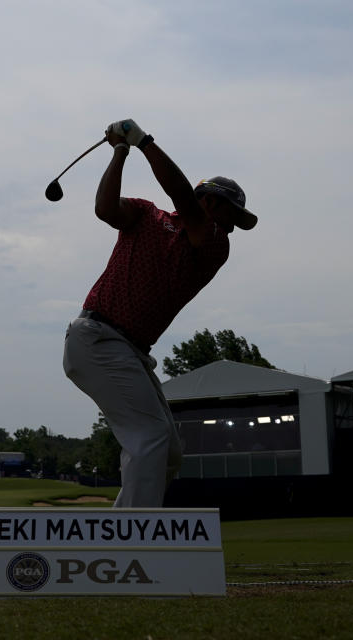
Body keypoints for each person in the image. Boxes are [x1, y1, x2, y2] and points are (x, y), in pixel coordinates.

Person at [63, 118, 258, 508]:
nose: (231, 228)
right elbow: (105, 209)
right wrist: (120, 151)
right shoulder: (147, 215)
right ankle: (131, 541)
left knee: (166, 450)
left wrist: (143, 142)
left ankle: (121, 530)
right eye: (231, 216)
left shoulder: (214, 244)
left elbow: (185, 201)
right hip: (96, 340)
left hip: (126, 350)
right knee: (149, 436)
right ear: (211, 202)